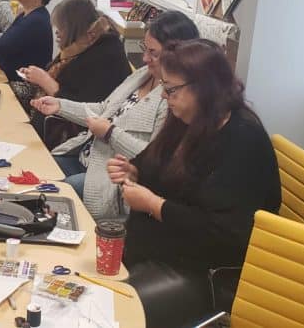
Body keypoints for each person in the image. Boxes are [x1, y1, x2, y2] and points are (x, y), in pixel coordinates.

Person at [112, 39, 280, 327]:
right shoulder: (190, 118)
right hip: (164, 247)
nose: (164, 96)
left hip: (208, 270)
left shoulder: (242, 139)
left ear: (204, 87)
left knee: (112, 308)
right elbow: (152, 162)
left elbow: (224, 231)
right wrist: (133, 171)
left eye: (171, 89)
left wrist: (154, 205)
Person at [31, 11, 200, 219]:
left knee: (51, 196)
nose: (145, 58)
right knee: (35, 170)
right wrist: (60, 106)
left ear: (178, 54)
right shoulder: (142, 75)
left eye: (154, 53)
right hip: (86, 156)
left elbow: (152, 157)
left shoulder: (172, 99)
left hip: (107, 177)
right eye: (144, 49)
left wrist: (111, 133)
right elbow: (104, 109)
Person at [16, 0, 129, 149]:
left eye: (61, 28)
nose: (57, 33)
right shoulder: (83, 45)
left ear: (74, 28)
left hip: (75, 137)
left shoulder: (106, 56)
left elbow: (84, 110)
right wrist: (35, 76)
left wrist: (46, 81)